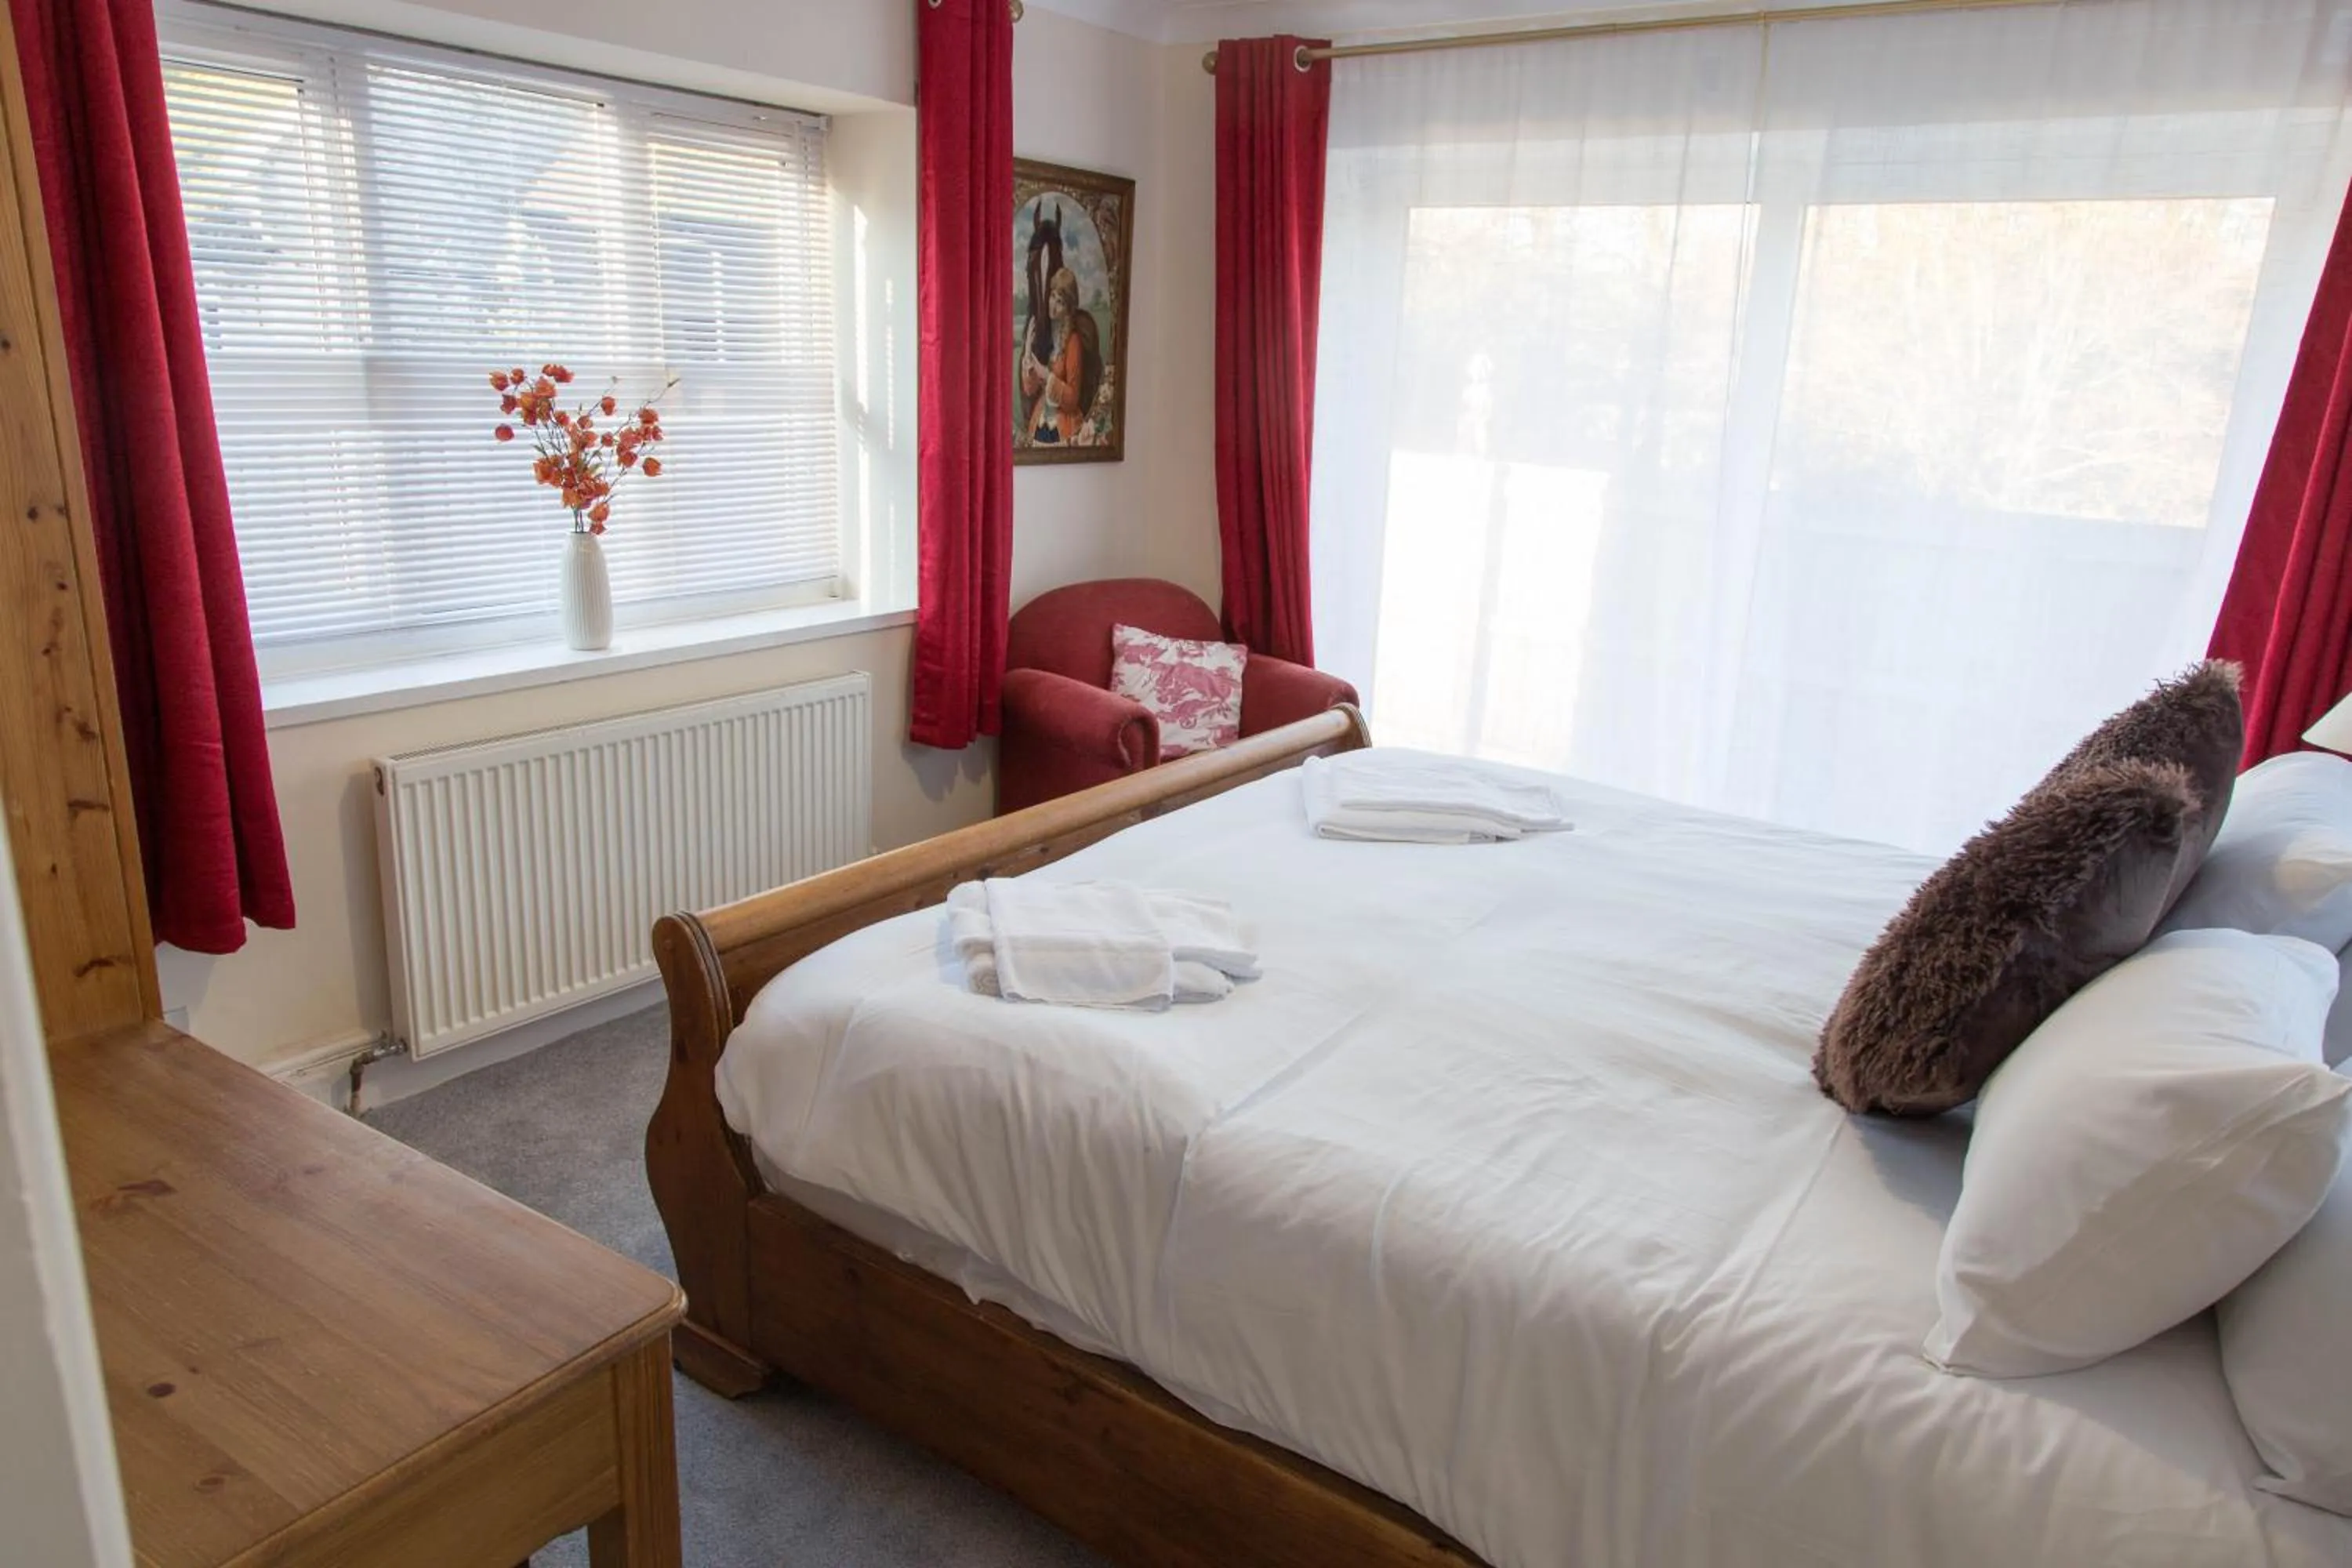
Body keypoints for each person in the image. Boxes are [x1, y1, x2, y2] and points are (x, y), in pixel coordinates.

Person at [1022, 265, 1102, 446]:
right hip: (1040, 421)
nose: (1054, 305)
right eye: (1052, 297)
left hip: (1063, 426)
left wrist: (1046, 376)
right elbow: (1029, 389)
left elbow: (1073, 397)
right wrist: (1027, 350)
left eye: (1061, 302)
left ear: (1069, 307)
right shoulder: (1047, 335)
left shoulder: (1073, 342)